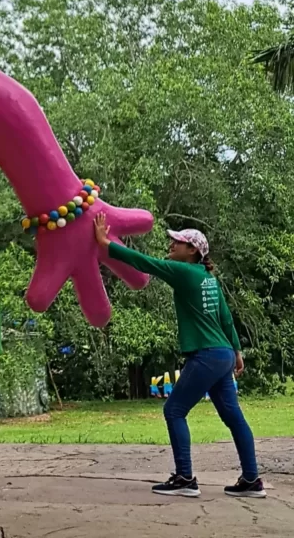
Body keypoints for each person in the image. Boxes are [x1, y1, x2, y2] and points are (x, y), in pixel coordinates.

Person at [94, 213, 266, 499]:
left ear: (193, 251)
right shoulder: (209, 278)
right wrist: (236, 352)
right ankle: (251, 480)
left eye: (179, 241)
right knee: (234, 418)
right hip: (221, 354)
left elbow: (146, 263)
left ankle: (185, 478)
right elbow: (225, 318)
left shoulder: (185, 271)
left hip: (207, 355)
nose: (172, 243)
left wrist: (105, 244)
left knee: (174, 410)